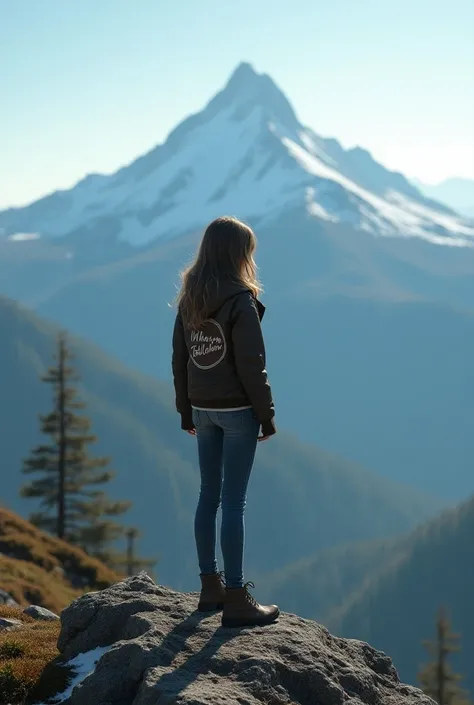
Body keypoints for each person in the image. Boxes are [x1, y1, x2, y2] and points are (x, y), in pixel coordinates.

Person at [172, 216, 279, 628]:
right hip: (237, 411)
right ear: (238, 254)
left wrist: (186, 410)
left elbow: (180, 360)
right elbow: (253, 365)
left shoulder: (190, 298)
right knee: (234, 500)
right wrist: (266, 415)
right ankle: (236, 598)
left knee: (208, 495)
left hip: (202, 408)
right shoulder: (240, 300)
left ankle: (209, 587)